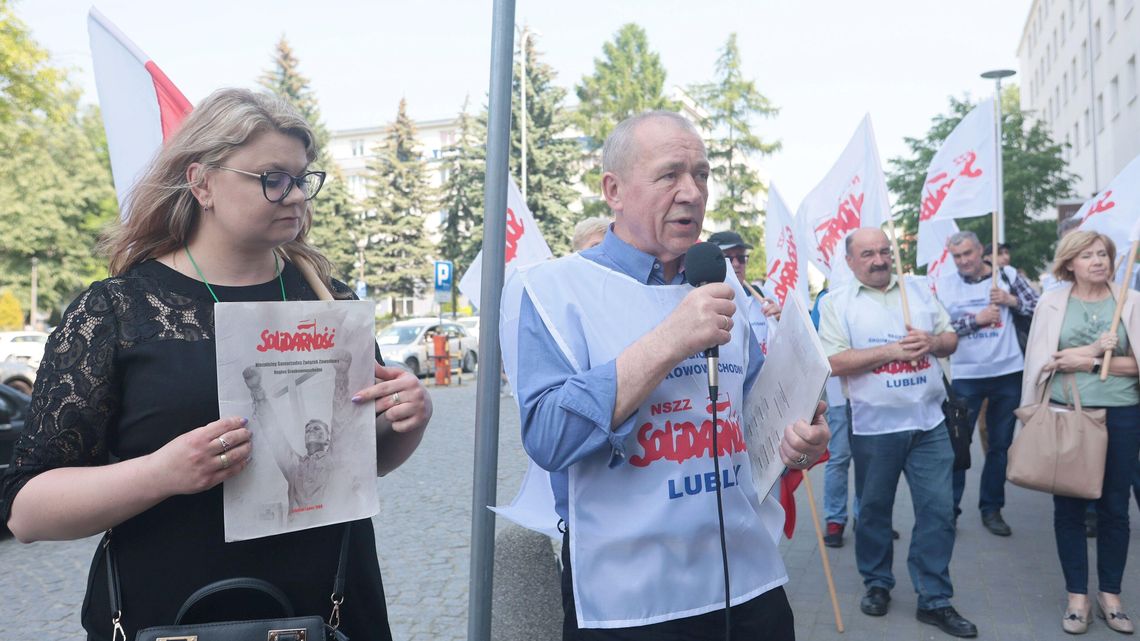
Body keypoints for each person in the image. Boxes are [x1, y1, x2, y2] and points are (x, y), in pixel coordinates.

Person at [0, 89, 432, 641]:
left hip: (332, 607)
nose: (296, 195)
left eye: (303, 179)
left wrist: (406, 421)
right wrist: (161, 473)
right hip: (173, 613)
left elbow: (359, 464)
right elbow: (27, 512)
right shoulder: (117, 311)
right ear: (201, 183)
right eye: (273, 178)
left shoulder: (329, 298)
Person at [512, 111, 829, 640]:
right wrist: (669, 339)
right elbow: (548, 437)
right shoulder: (553, 291)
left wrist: (801, 440)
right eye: (669, 175)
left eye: (701, 175)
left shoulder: (721, 281)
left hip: (747, 582)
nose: (692, 192)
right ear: (613, 190)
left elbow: (757, 418)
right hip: (628, 603)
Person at [819, 228, 978, 638]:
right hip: (874, 426)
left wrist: (932, 341)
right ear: (850, 261)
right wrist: (893, 351)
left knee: (939, 511)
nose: (879, 260)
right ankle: (877, 583)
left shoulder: (919, 289)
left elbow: (950, 340)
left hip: (930, 423)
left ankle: (934, 598)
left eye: (884, 251)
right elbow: (833, 362)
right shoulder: (837, 302)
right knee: (874, 511)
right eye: (868, 254)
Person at [1021, 230, 1140, 635]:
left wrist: (1086, 362)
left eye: (1103, 254)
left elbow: (1137, 363)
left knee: (1114, 508)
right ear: (1069, 263)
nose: (1098, 261)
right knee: (1069, 507)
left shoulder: (1131, 301)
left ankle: (1111, 595)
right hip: (1066, 414)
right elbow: (1046, 359)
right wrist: (1089, 351)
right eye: (1087, 255)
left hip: (1122, 414)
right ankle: (1077, 596)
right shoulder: (1052, 302)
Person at [936, 231, 1037, 536]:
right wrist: (976, 320)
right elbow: (939, 329)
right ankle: (949, 511)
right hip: (967, 375)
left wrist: (1010, 300)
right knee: (958, 445)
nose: (963, 261)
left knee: (1000, 445)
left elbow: (1040, 308)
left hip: (1008, 372)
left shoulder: (1006, 275)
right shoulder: (945, 285)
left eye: (968, 253)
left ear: (981, 250)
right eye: (957, 256)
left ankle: (991, 508)